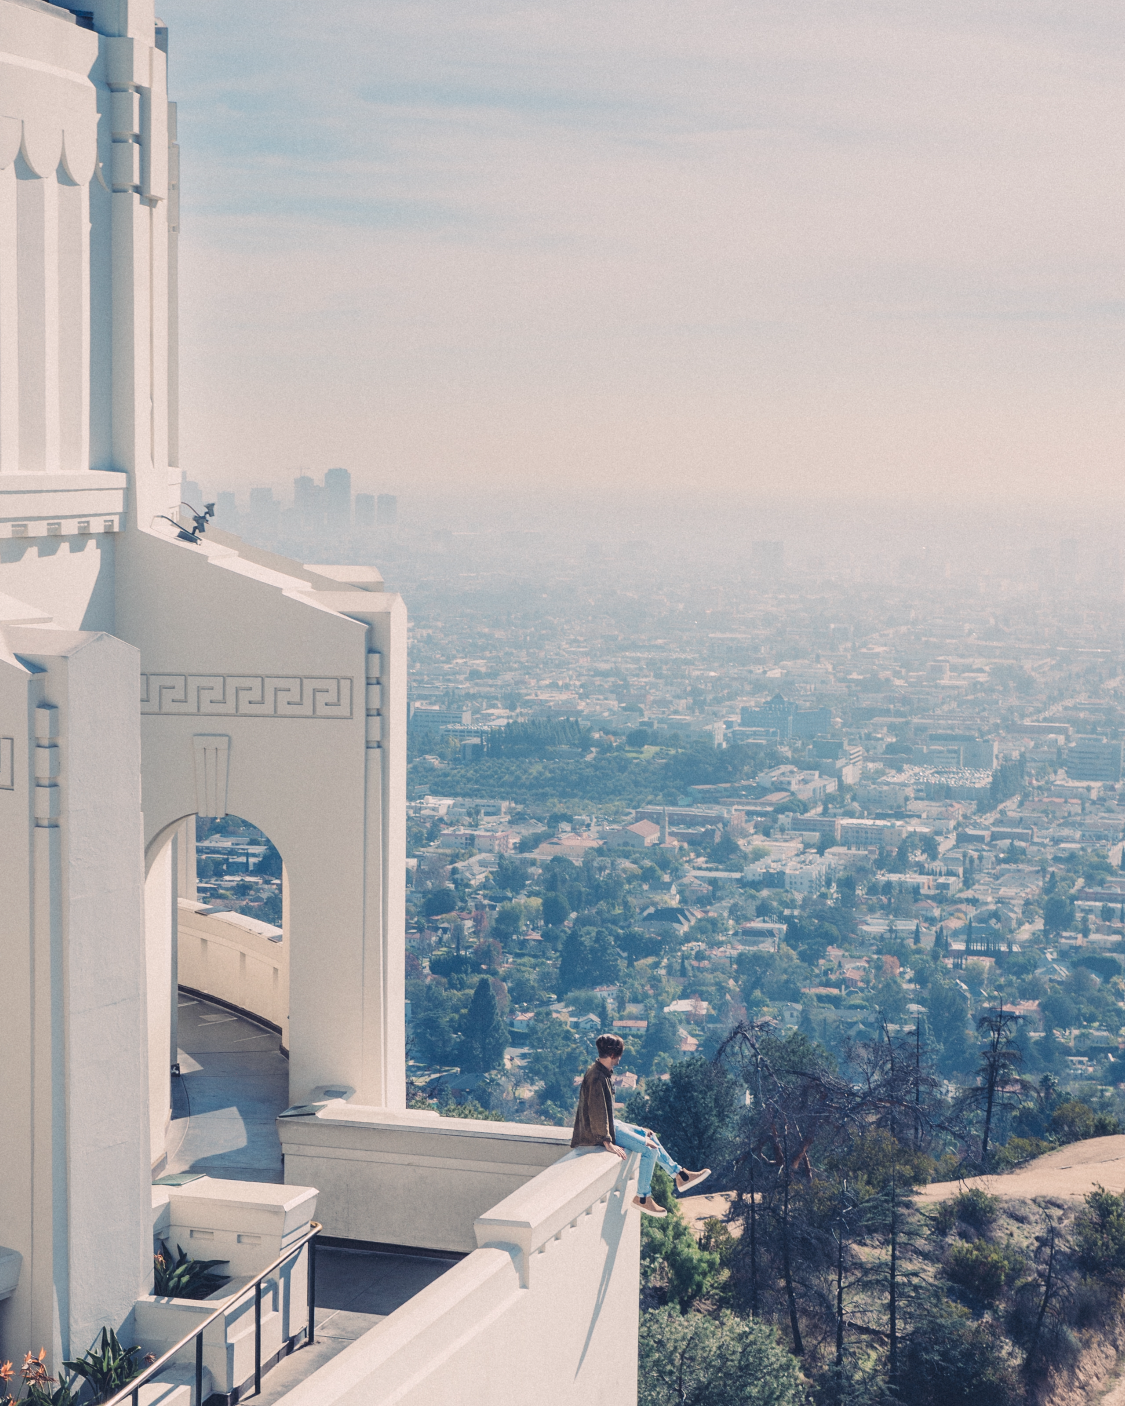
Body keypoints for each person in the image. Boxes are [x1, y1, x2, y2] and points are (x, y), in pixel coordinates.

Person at [571, 1032, 710, 1217]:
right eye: (619, 1054)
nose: (620, 1058)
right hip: (597, 1132)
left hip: (609, 1124)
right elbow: (598, 1113)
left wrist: (636, 1130)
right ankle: (643, 1197)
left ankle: (680, 1175)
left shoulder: (600, 1072)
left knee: (650, 1136)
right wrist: (607, 1141)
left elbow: (606, 1113)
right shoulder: (597, 1077)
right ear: (613, 1055)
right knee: (650, 1148)